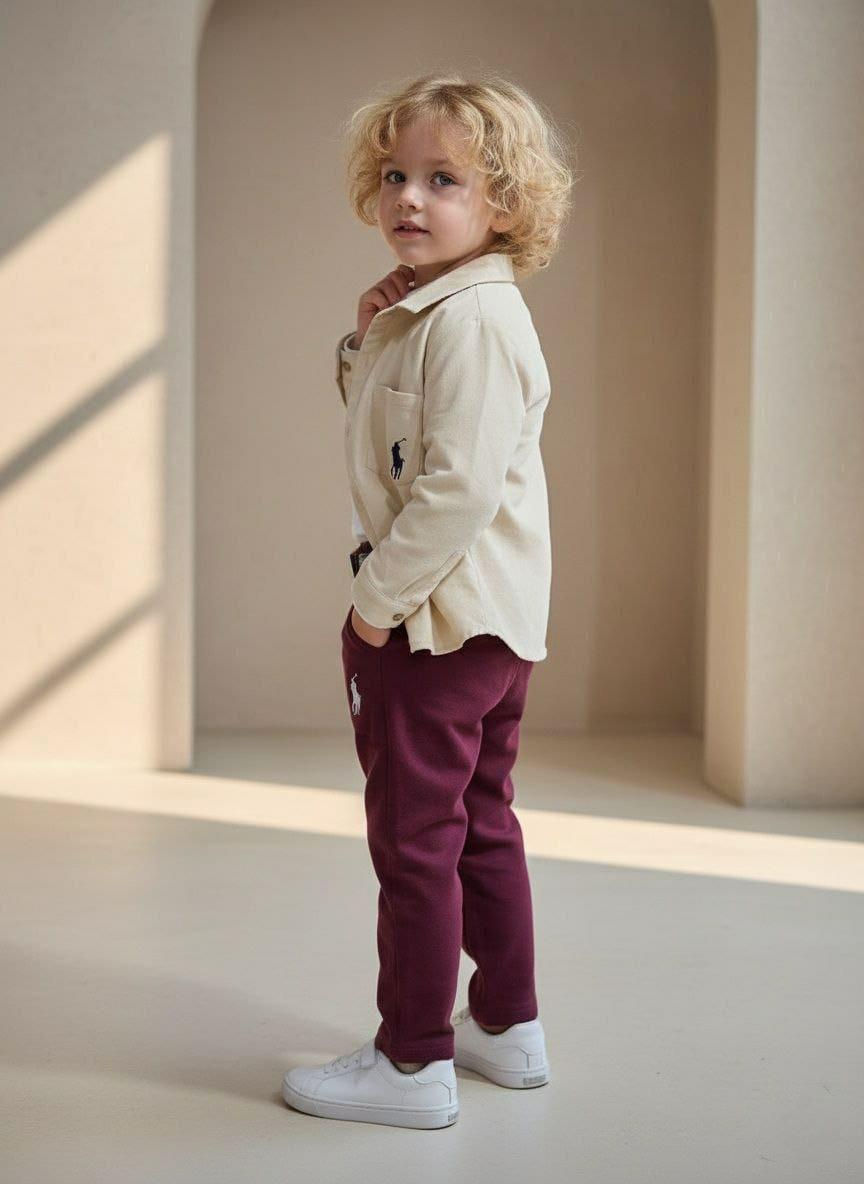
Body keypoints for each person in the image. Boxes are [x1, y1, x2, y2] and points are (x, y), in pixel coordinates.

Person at [282, 71, 574, 1129]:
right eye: (397, 175)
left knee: (415, 844)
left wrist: (375, 607)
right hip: (486, 621)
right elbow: (402, 438)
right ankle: (506, 1023)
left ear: (504, 202)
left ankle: (411, 1062)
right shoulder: (434, 312)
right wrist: (366, 336)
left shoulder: (474, 322)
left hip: (435, 624)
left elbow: (451, 493)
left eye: (444, 179)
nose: (410, 196)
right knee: (478, 822)